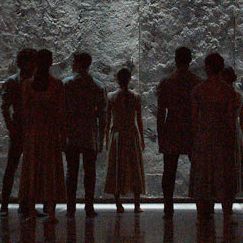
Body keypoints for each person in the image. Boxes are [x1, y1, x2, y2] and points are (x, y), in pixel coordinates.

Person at [190, 53, 239, 224]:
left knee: (203, 174)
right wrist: (232, 139)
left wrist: (195, 137)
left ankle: (201, 214)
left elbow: (194, 118)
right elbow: (230, 118)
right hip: (222, 136)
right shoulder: (228, 91)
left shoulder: (198, 90)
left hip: (204, 136)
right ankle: (227, 214)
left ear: (207, 68)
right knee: (224, 175)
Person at [19, 49, 66, 222]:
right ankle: (51, 211)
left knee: (33, 170)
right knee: (50, 171)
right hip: (49, 131)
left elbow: (26, 112)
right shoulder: (56, 85)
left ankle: (31, 209)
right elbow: (60, 113)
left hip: (34, 132)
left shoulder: (27, 85)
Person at [156, 47, 202, 219]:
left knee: (169, 171)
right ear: (190, 60)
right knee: (197, 170)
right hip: (191, 128)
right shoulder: (197, 82)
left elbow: (161, 112)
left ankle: (168, 208)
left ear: (175, 60)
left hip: (172, 128)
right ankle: (201, 206)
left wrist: (161, 135)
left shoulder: (167, 82)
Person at [63, 52, 107, 219]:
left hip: (72, 133)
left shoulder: (66, 84)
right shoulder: (97, 86)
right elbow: (103, 115)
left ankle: (70, 207)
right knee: (90, 173)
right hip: (89, 133)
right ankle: (89, 206)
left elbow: (62, 111)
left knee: (72, 172)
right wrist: (101, 138)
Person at [0, 48, 37, 216]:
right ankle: (5, 204)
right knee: (12, 167)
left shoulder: (28, 82)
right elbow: (5, 107)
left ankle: (26, 203)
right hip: (20, 127)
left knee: (30, 168)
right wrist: (11, 127)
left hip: (30, 127)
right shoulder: (13, 82)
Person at [104, 68, 146, 213]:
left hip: (118, 135)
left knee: (117, 167)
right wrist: (141, 138)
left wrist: (106, 137)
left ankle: (118, 203)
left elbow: (107, 120)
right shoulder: (135, 97)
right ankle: (136, 204)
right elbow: (139, 120)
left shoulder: (111, 97)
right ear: (129, 79)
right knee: (134, 167)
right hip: (131, 135)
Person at [222, 66, 243, 207]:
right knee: (233, 166)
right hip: (236, 132)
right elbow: (241, 120)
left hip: (223, 129)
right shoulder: (238, 96)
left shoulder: (223, 95)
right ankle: (229, 206)